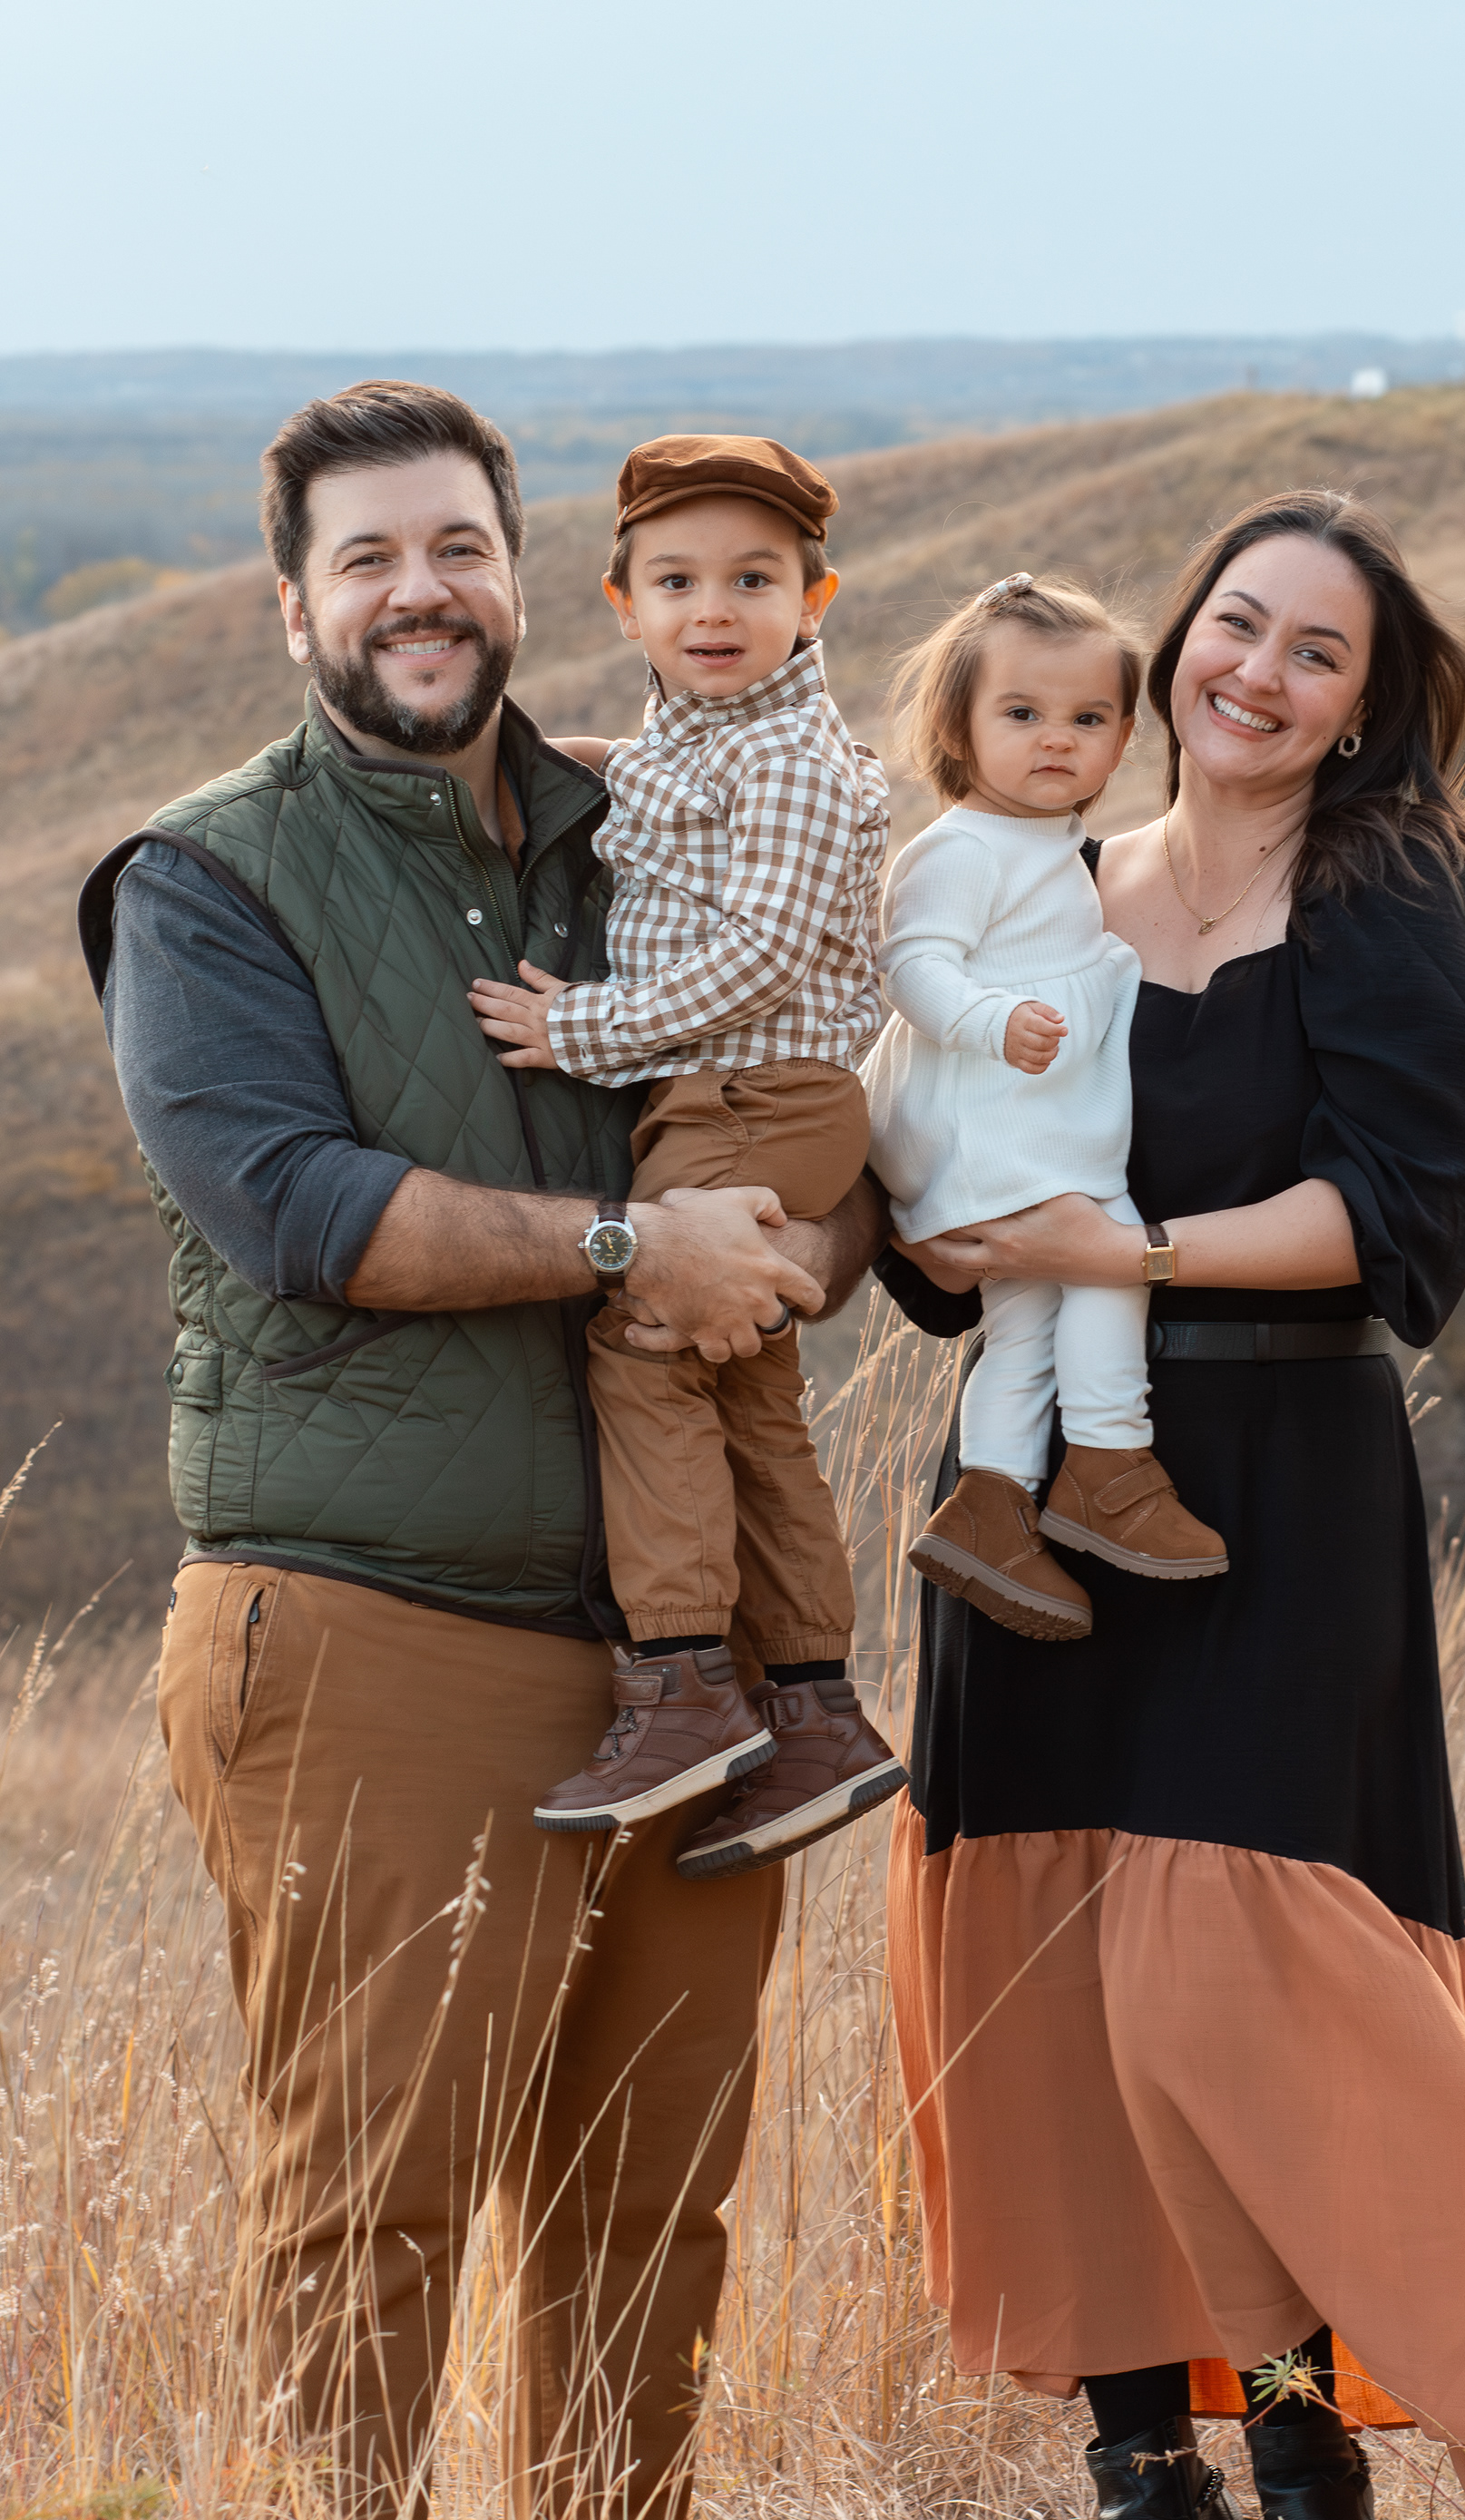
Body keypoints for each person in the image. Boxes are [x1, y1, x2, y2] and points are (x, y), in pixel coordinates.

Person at [77, 380, 881, 2520]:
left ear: (528, 581)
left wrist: (822, 1230)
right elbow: (299, 1204)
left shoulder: (655, 819)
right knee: (378, 2200)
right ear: (293, 605)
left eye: (457, 548)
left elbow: (811, 1082)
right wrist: (635, 1247)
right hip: (375, 1623)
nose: (418, 593)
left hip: (687, 1667)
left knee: (652, 2197)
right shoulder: (205, 878)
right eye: (368, 559)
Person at [877, 492, 1465, 2520]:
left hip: (1279, 1489)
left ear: (1364, 707)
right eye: (1236, 623)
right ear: (1176, 636)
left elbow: (1396, 1220)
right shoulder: (1051, 882)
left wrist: (1131, 1249)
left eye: (1316, 651)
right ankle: (1149, 2498)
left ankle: (1311, 2471)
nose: (1258, 673)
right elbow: (942, 1224)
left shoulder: (1390, 893)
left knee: (1224, 1996)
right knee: (1055, 2002)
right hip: (1037, 1490)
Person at [468, 433, 904, 1876]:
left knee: (646, 1345)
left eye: (754, 580)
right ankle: (818, 1711)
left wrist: (580, 1030)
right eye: (677, 582)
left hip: (754, 1090)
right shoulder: (698, 738)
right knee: (747, 1387)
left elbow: (760, 951)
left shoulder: (789, 757)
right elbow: (661, 808)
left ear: (814, 600)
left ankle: (683, 1685)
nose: (714, 609)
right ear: (624, 607)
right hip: (736, 1093)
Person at [863, 571, 1226, 1642]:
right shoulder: (961, 848)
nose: (1056, 739)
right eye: (1021, 714)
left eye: (1088, 718)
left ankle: (992, 1501)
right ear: (960, 727)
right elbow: (912, 966)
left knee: (1025, 1317)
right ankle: (1110, 1461)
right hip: (976, 1118)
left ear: (1125, 740)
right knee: (1110, 1257)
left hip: (1004, 1121)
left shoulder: (1048, 845)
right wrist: (991, 1020)